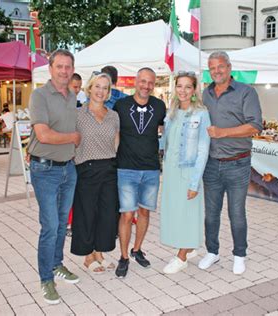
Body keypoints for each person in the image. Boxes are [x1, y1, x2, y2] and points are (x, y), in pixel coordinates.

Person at [199, 51, 262, 275]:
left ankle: (239, 255)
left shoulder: (246, 92)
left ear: (229, 67)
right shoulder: (205, 93)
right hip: (211, 164)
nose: (216, 71)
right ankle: (212, 252)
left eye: (220, 67)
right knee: (211, 213)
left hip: (238, 163)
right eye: (212, 67)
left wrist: (222, 132)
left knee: (236, 213)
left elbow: (255, 126)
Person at [27, 49, 81, 305]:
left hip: (68, 168)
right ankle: (46, 278)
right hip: (45, 170)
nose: (64, 71)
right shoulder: (39, 96)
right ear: (50, 69)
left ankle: (57, 264)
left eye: (68, 67)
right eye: (59, 66)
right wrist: (72, 138)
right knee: (49, 226)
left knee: (61, 224)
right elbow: (44, 134)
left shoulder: (72, 97)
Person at [113, 67, 166, 278]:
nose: (146, 86)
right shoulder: (121, 105)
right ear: (136, 81)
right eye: (143, 81)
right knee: (127, 214)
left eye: (150, 82)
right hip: (126, 168)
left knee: (144, 212)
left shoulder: (160, 106)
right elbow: (113, 131)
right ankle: (124, 256)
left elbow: (164, 129)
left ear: (154, 84)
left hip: (151, 169)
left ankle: (137, 250)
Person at [160, 71, 211, 274]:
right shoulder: (171, 112)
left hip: (189, 170)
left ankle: (181, 257)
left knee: (189, 212)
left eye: (187, 86)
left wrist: (194, 182)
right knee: (176, 212)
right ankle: (188, 247)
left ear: (194, 90)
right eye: (179, 86)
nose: (182, 90)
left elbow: (203, 149)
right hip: (171, 170)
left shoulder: (201, 114)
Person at [70, 72, 120, 273]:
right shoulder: (77, 114)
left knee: (107, 214)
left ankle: (100, 252)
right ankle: (88, 256)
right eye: (97, 86)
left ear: (109, 92)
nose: (101, 91)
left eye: (105, 88)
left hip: (109, 168)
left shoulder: (114, 115)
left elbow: (117, 142)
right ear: (89, 88)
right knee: (86, 214)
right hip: (86, 168)